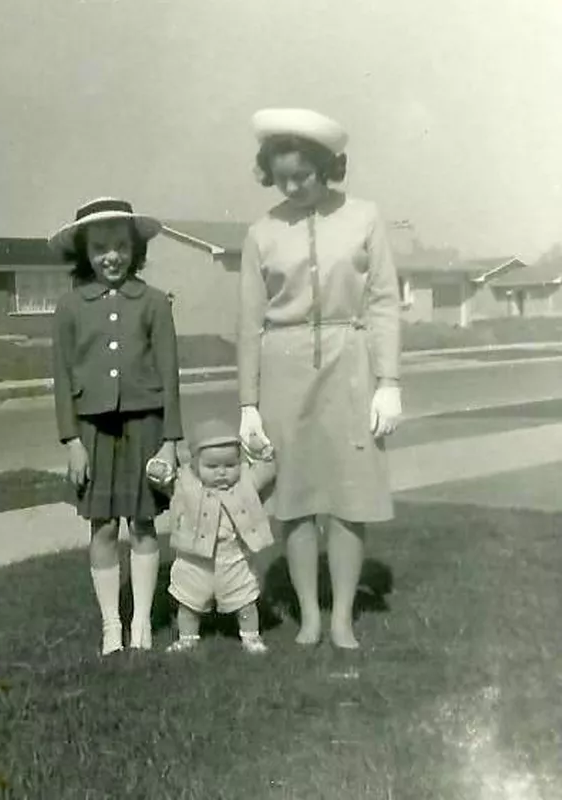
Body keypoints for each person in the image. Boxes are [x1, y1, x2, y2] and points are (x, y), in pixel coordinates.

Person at [237, 109, 402, 650]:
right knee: (296, 493)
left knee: (353, 492)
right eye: (281, 176)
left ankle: (342, 616)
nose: (292, 186)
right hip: (284, 367)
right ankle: (309, 613)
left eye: (302, 175)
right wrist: (248, 403)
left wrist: (388, 380)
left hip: (350, 361)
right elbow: (249, 322)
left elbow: (381, 302)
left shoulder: (365, 218)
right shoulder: (261, 233)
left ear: (327, 167)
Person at [49, 197, 183, 656]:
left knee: (144, 525)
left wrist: (170, 444)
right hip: (92, 433)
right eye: (101, 247)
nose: (112, 257)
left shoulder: (153, 302)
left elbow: (170, 375)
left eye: (121, 247)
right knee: (103, 528)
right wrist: (72, 441)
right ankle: (112, 626)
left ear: (135, 249)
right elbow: (63, 378)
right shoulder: (69, 307)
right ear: (84, 252)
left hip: (146, 426)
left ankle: (142, 624)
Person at [147, 418, 276, 654]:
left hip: (235, 557)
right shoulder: (186, 482)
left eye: (230, 465)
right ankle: (187, 637)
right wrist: (157, 471)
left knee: (245, 600)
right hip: (194, 559)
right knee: (188, 603)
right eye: (212, 467)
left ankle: (251, 637)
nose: (222, 472)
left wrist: (263, 453)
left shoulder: (246, 481)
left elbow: (266, 472)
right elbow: (162, 481)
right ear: (195, 465)